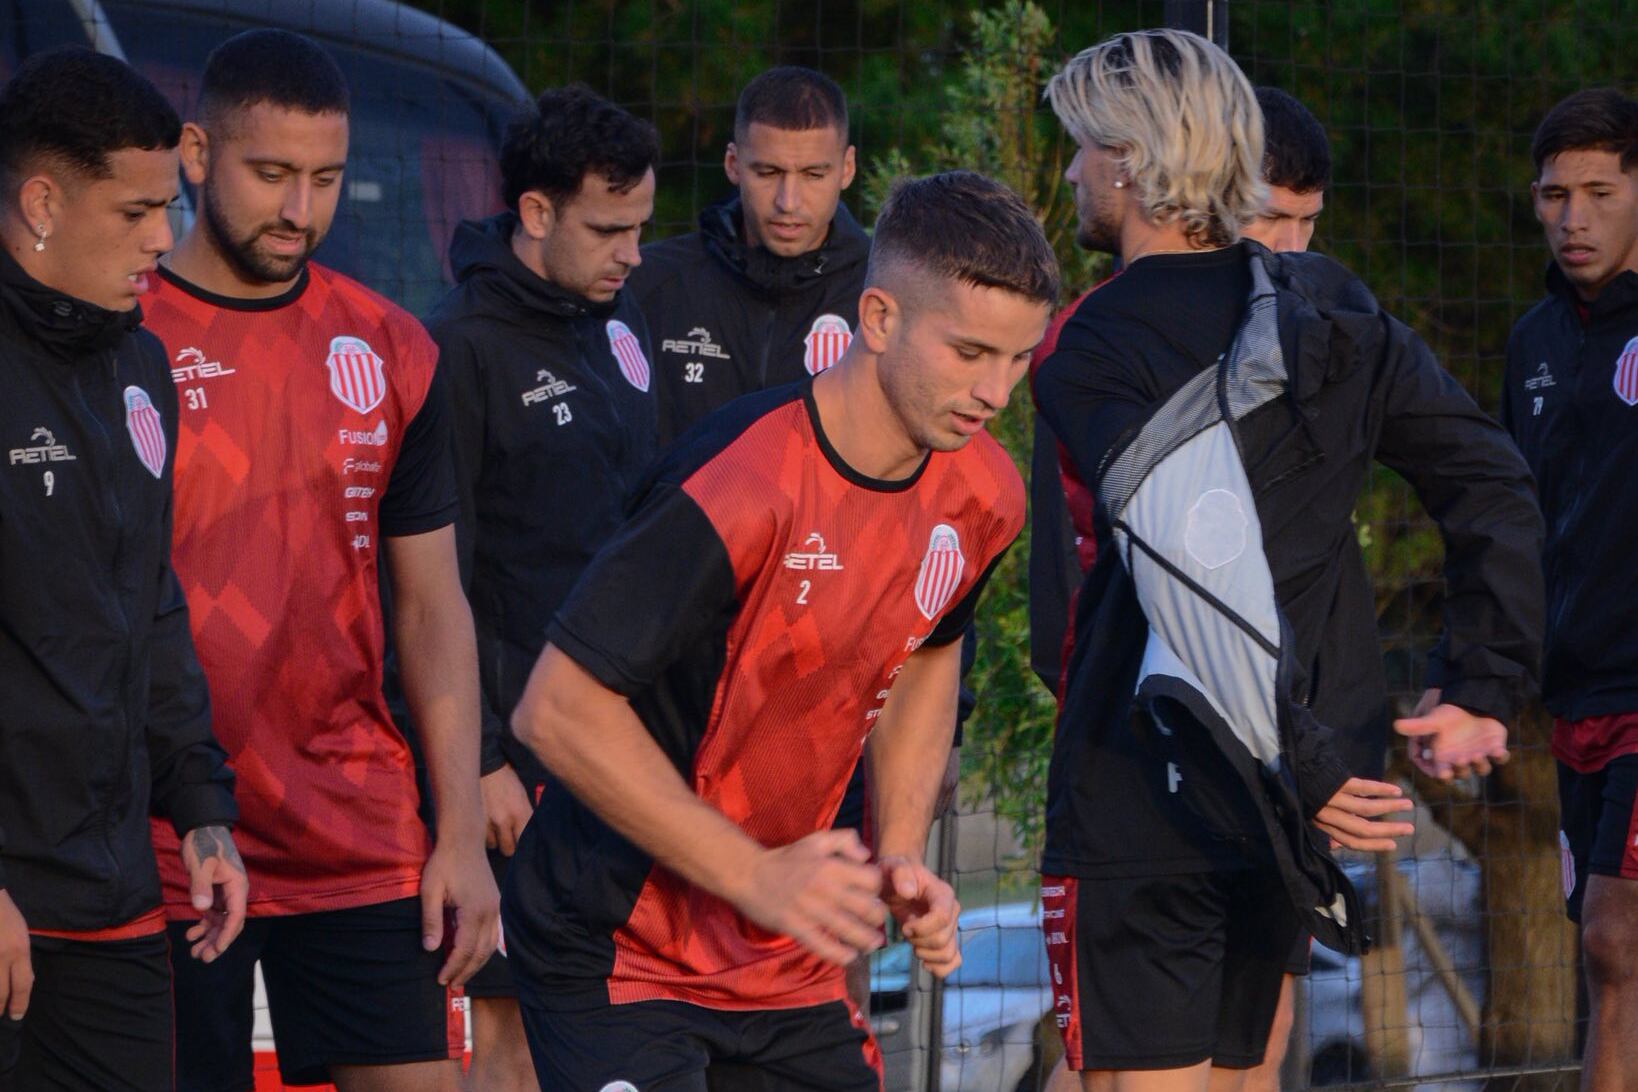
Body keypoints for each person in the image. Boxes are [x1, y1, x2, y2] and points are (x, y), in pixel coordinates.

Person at [1034, 29, 1543, 1092]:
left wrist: (1297, 758)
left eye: (1080, 145)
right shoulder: (1336, 314)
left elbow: (1189, 572)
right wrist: (1482, 686)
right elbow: (1491, 480)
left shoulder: (1094, 341)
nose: (1069, 171)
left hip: (1158, 787)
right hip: (1295, 792)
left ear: (1129, 157)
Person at [500, 170, 1055, 1089]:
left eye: (1017, 358)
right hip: (616, 941)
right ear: (878, 320)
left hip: (780, 962)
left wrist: (902, 852)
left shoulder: (986, 493)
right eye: (968, 353)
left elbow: (929, 650)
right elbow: (554, 711)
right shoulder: (744, 482)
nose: (995, 391)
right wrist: (756, 876)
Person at [140, 29, 497, 1092]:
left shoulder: (390, 348)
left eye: (327, 179)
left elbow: (433, 609)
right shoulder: (121, 337)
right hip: (164, 835)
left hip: (358, 826)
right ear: (197, 154)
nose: (301, 209)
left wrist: (463, 835)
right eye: (272, 175)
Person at [1032, 79, 1337, 1092]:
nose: (1290, 246)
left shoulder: (1322, 336)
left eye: (1307, 222)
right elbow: (1057, 567)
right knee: (1122, 1064)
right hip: (1136, 760)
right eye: (1272, 219)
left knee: (1251, 1051)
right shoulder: (1096, 342)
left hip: (1272, 761)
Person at [0, 47, 245, 1091]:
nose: (165, 238)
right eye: (139, 210)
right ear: (43, 201)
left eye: (172, 206)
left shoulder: (140, 362)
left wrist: (199, 809)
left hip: (112, 901)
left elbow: (148, 601)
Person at [426, 84, 660, 1092]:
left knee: (619, 1014)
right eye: (609, 230)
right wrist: (479, 763)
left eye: (641, 228)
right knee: (514, 1032)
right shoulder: (462, 348)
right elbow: (439, 581)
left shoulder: (613, 320)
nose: (632, 254)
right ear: (534, 214)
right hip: (520, 754)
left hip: (623, 738)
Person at [1498, 86, 1638, 1092]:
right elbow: (1514, 517)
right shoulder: (1533, 345)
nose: (1573, 217)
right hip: (1573, 693)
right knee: (1605, 958)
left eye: (1598, 190)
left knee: (1612, 938)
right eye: (1555, 195)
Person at [630, 64, 868, 447]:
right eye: (768, 172)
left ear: (847, 168)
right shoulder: (648, 283)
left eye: (812, 175)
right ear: (733, 165)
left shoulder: (882, 296)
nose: (787, 202)